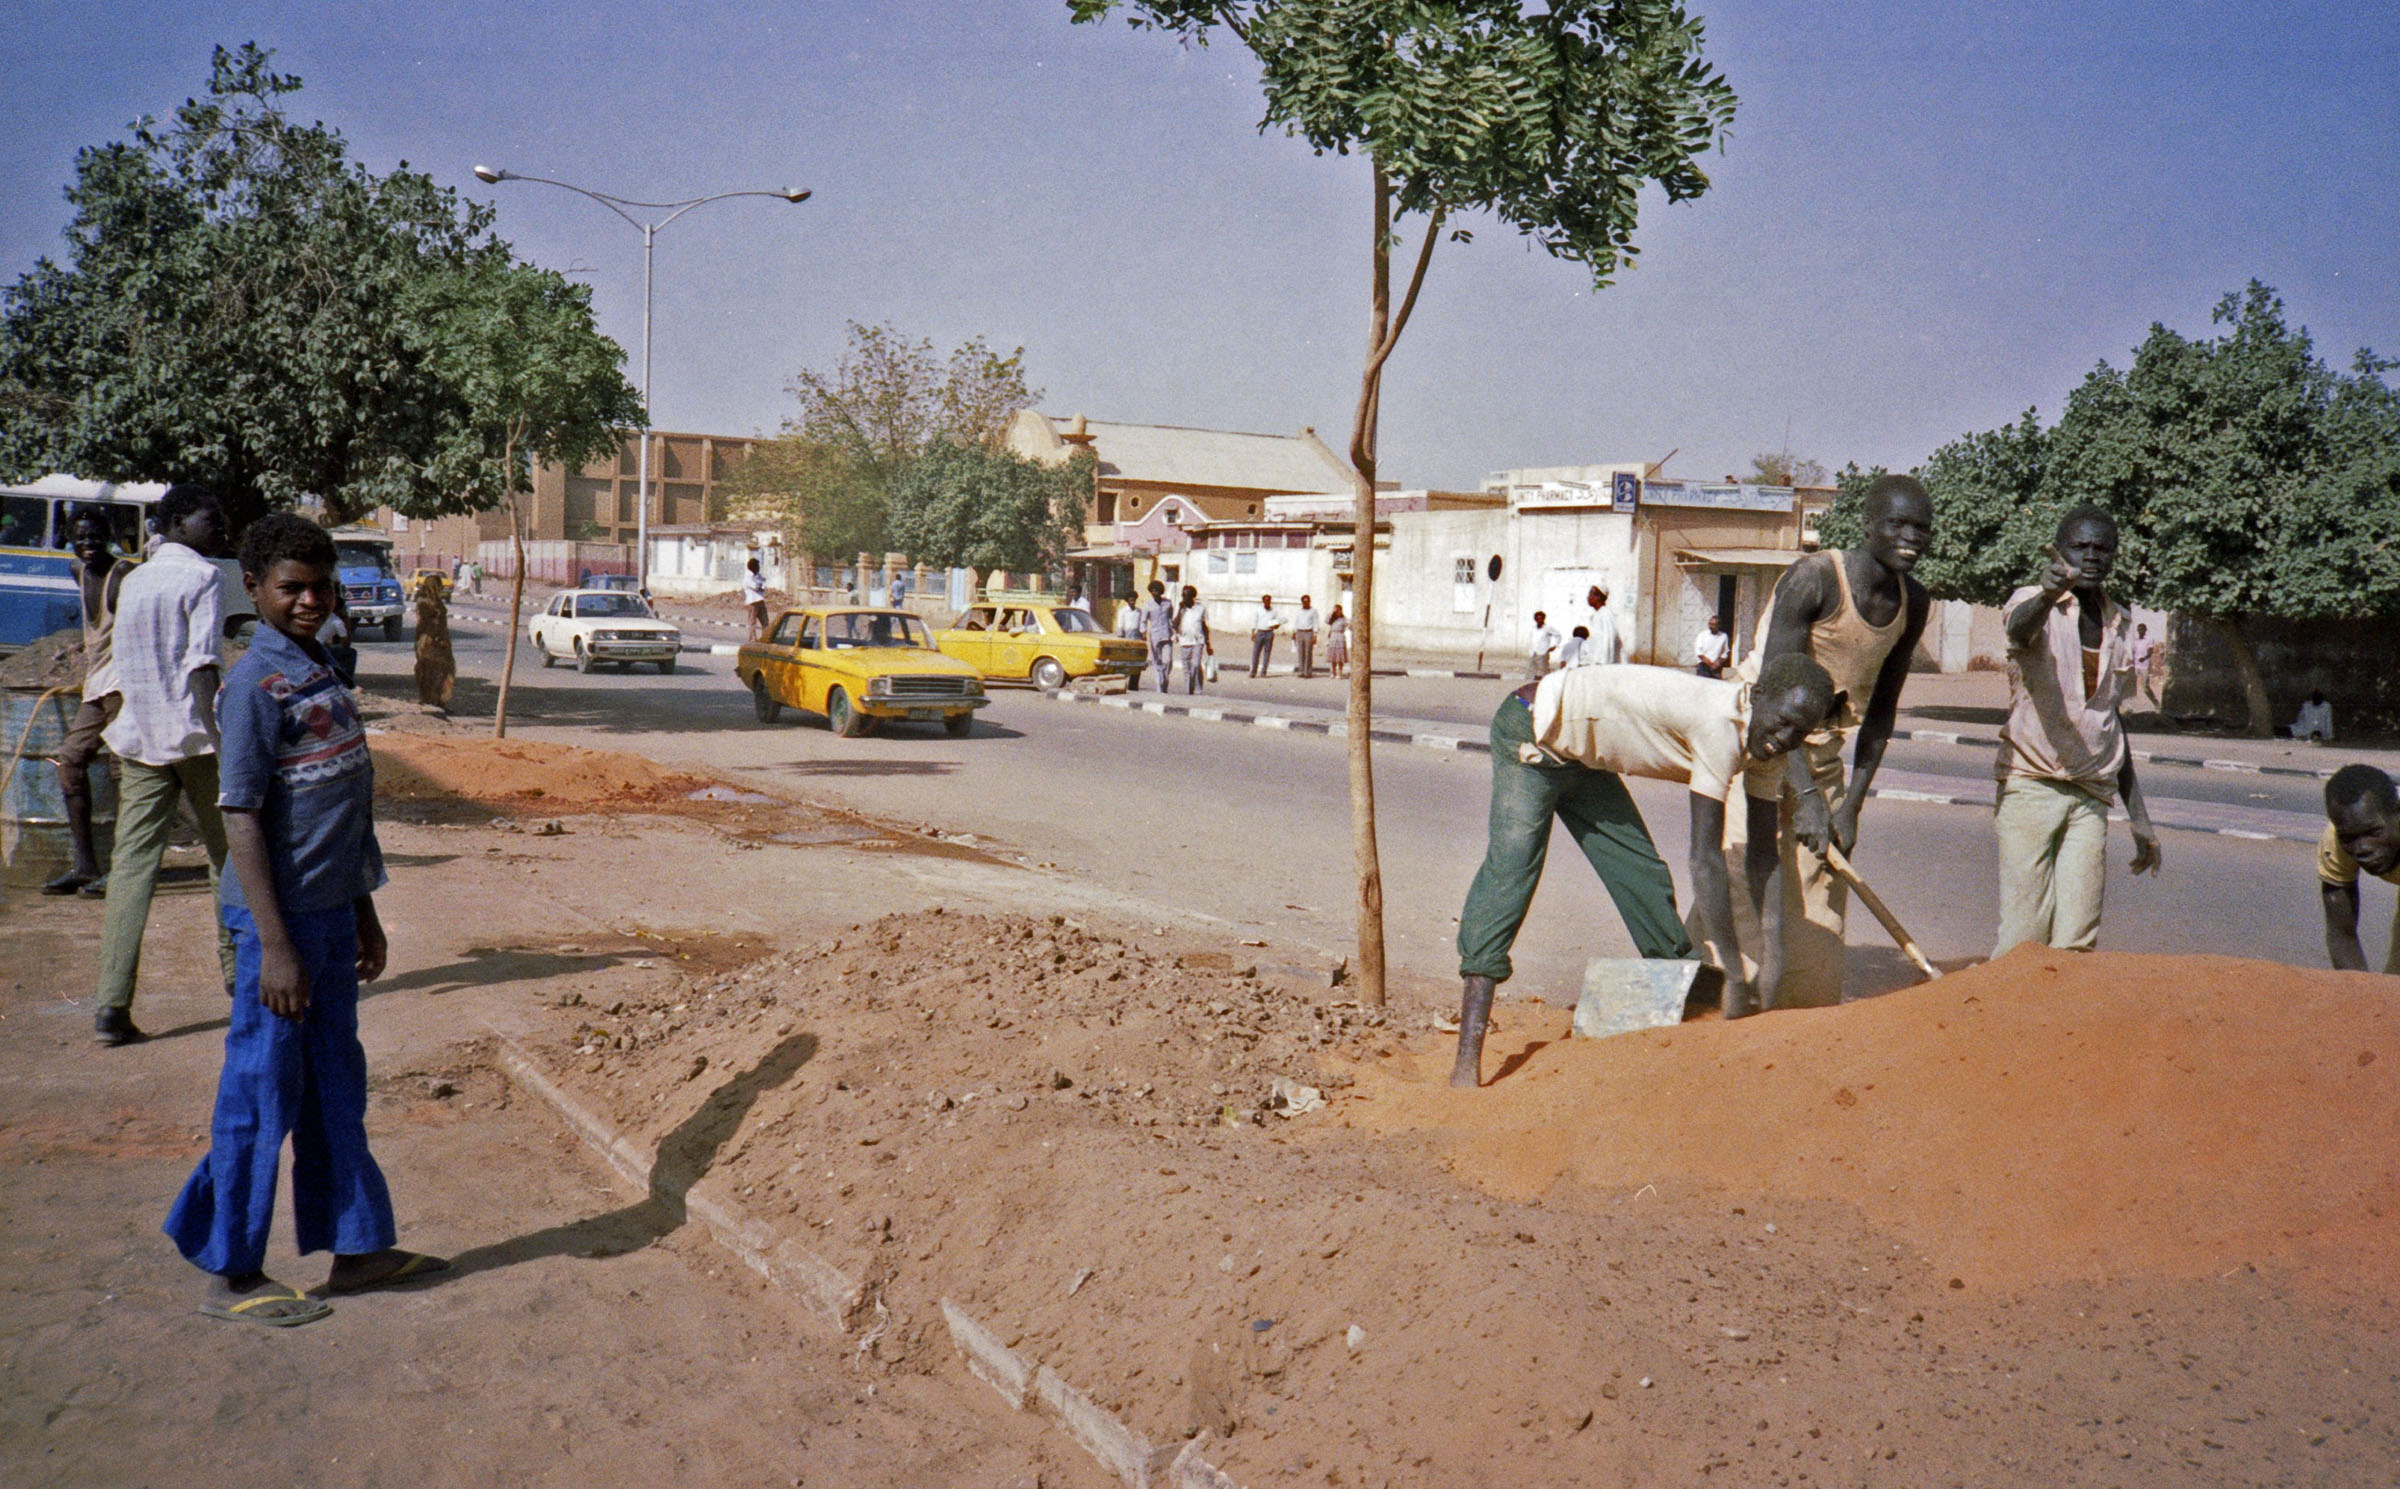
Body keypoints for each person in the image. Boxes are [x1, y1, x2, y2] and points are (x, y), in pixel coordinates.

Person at [164, 513, 445, 1327]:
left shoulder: (320, 667)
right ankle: (231, 1268)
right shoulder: (253, 685)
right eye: (291, 587)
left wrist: (364, 910)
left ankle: (357, 1247)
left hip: (328, 918)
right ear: (253, 589)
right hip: (275, 932)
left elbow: (344, 806)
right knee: (260, 1092)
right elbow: (242, 817)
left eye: (321, 586)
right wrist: (277, 946)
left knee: (334, 1086)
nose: (309, 599)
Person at [1449, 653, 1845, 1086]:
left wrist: (1772, 958)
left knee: (1643, 874)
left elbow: (1764, 858)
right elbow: (1705, 859)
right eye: (1783, 722)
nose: (1785, 739)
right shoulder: (1718, 726)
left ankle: (1678, 1010)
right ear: (1758, 694)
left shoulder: (1768, 749)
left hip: (1584, 759)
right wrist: (1734, 969)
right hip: (1532, 732)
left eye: (1800, 733)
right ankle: (1466, 1061)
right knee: (1513, 872)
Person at [1738, 473, 1934, 1006]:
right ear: (1868, 525)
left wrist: (1849, 808)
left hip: (1822, 756)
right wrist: (1803, 800)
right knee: (1743, 889)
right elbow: (1768, 695)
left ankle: (1806, 1028)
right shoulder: (1814, 579)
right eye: (1897, 523)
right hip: (1755, 743)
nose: (1910, 537)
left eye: (1922, 528)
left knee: (1819, 902)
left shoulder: (1914, 601)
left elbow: (1881, 714)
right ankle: (1712, 1023)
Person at [91, 485, 239, 1046]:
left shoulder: (135, 579)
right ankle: (237, 976)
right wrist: (223, 742)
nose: (220, 530)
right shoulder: (201, 576)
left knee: (131, 871)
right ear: (178, 523)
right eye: (212, 520)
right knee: (229, 855)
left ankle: (111, 1004)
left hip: (140, 735)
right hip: (194, 738)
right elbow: (202, 667)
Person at [1992, 505, 2162, 956]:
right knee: (2023, 937)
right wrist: (2048, 596)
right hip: (2031, 783)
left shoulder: (2120, 622)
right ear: (2060, 549)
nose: (2091, 557)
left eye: (2102, 549)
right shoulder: (2032, 601)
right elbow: (2018, 628)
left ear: (2114, 556)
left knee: (2077, 938)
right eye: (2080, 547)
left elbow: (2110, 722)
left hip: (2091, 792)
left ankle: (2056, 1026)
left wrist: (2140, 819)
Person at [44, 513, 138, 896]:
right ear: (70, 540)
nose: (89, 544)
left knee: (123, 774)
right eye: (81, 538)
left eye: (97, 537)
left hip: (124, 685)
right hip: (97, 684)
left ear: (110, 536)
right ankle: (85, 865)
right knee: (70, 761)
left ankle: (123, 870)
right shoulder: (77, 571)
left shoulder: (125, 576)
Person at [2320, 764, 2400, 974]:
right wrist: (2358, 995)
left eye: (2374, 832)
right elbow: (2341, 932)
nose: (2362, 848)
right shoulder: (2336, 841)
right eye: (2349, 838)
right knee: (2390, 988)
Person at [412, 577, 455, 710]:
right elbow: (427, 624)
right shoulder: (425, 602)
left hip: (436, 640)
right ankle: (433, 701)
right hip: (430, 641)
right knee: (436, 671)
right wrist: (438, 640)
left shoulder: (434, 601)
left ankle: (436, 701)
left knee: (440, 671)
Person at [1140, 580, 1177, 693]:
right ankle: (1159, 687)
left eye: (1156, 591)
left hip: (1166, 635)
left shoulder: (1168, 603)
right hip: (1154, 636)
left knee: (1168, 660)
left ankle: (1164, 680)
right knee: (1157, 661)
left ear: (1161, 591)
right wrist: (1143, 632)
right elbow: (1143, 621)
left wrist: (1175, 631)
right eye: (1152, 591)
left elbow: (1171, 618)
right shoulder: (1148, 605)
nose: (1154, 593)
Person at [1175, 585, 1211, 694]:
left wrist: (1208, 643)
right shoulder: (1180, 608)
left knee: (1195, 664)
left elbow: (1205, 626)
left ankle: (1198, 688)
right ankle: (1188, 690)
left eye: (1187, 596)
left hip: (1198, 641)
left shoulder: (1201, 608)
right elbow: (1174, 624)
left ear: (1193, 596)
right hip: (1184, 640)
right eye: (1183, 595)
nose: (1184, 598)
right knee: (1186, 667)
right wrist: (1180, 610)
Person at [1576, 585, 1622, 665]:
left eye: (1591, 594)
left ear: (1598, 597)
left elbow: (1608, 640)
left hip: (1603, 664)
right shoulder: (1597, 614)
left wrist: (1603, 663)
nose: (1588, 597)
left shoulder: (1605, 615)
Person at [2127, 621, 2161, 709]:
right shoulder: (2135, 640)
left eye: (2142, 629)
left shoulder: (2149, 639)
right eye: (2139, 629)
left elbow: (2150, 651)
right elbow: (2133, 652)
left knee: (2145, 687)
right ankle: (2129, 706)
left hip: (2145, 666)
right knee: (2130, 685)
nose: (2140, 631)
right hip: (2136, 666)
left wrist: (2144, 658)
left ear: (2145, 630)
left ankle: (2156, 703)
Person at [1249, 595, 1283, 678]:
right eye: (1266, 601)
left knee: (1267, 653)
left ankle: (1263, 672)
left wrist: (1277, 625)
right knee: (1256, 653)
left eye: (1269, 600)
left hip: (1269, 633)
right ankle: (1253, 672)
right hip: (1260, 632)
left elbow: (1275, 623)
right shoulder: (1258, 610)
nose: (1267, 602)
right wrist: (1253, 632)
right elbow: (1255, 621)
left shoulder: (1274, 611)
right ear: (1263, 601)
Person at [1693, 615, 1732, 679]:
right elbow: (1698, 652)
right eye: (1710, 624)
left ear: (1719, 625)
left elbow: (1725, 652)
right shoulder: (1702, 635)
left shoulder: (1723, 636)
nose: (1711, 626)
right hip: (1703, 667)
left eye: (1714, 624)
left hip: (1716, 668)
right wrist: (1710, 663)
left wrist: (1718, 661)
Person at [1291, 595, 1321, 679]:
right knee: (1300, 652)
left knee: (1308, 653)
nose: (1306, 603)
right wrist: (1294, 632)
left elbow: (1316, 622)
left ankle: (1308, 672)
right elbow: (1296, 622)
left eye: (1307, 601)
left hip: (1308, 632)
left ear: (1309, 602)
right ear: (1302, 602)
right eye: (1304, 602)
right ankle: (1301, 671)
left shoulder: (1313, 611)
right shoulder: (1299, 611)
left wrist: (1315, 634)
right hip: (1299, 632)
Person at [1527, 611, 1561, 680]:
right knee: (1532, 670)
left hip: (1543, 652)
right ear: (1535, 619)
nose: (1539, 620)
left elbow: (1558, 635)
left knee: (1544, 670)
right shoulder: (1533, 628)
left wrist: (1555, 645)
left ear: (1544, 619)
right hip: (1533, 652)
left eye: (1541, 618)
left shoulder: (1548, 628)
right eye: (1537, 618)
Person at [742, 558, 769, 641]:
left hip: (760, 600)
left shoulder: (758, 575)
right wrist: (761, 584)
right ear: (752, 567)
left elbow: (764, 586)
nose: (758, 568)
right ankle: (753, 639)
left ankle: (765, 639)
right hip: (752, 602)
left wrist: (761, 584)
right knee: (752, 622)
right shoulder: (747, 577)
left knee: (765, 622)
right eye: (757, 566)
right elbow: (755, 586)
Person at [1326, 605, 1350, 679]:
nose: (1337, 612)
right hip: (1333, 636)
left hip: (1340, 636)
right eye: (1336, 610)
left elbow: (1349, 624)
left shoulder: (1344, 619)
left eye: (1338, 610)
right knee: (1333, 656)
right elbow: (1326, 620)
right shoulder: (1332, 619)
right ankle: (1333, 672)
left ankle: (1340, 673)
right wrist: (1332, 612)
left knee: (1340, 656)